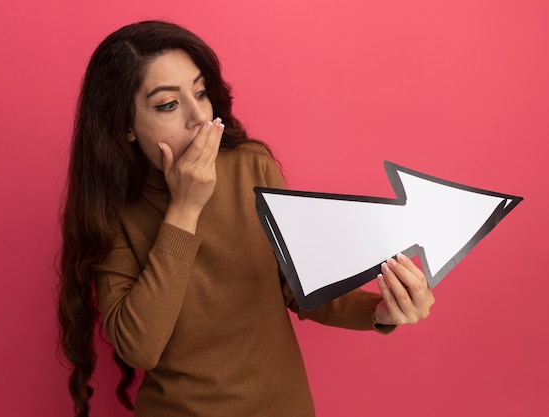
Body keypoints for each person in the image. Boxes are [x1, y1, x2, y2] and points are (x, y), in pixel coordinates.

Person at [57, 20, 435, 417]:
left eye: (201, 93)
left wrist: (379, 312)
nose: (199, 117)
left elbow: (299, 288)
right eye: (168, 104)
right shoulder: (112, 212)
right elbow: (140, 347)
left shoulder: (251, 166)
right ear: (125, 127)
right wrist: (185, 209)